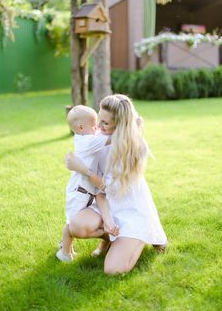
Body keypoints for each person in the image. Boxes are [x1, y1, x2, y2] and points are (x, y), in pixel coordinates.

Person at [66, 94, 168, 274]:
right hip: (106, 204)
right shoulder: (97, 138)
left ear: (120, 124)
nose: (98, 126)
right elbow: (100, 192)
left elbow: (109, 187)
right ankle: (110, 237)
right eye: (99, 119)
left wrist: (83, 169)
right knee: (77, 226)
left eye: (105, 123)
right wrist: (107, 219)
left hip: (130, 210)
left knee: (113, 270)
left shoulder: (134, 149)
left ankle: (142, 235)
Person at [56, 105, 119, 262]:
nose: (97, 127)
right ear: (81, 127)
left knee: (74, 222)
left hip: (88, 191)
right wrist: (130, 126)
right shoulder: (88, 142)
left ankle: (67, 247)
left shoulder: (87, 136)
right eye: (94, 124)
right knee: (70, 223)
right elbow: (114, 138)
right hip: (79, 191)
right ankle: (65, 252)